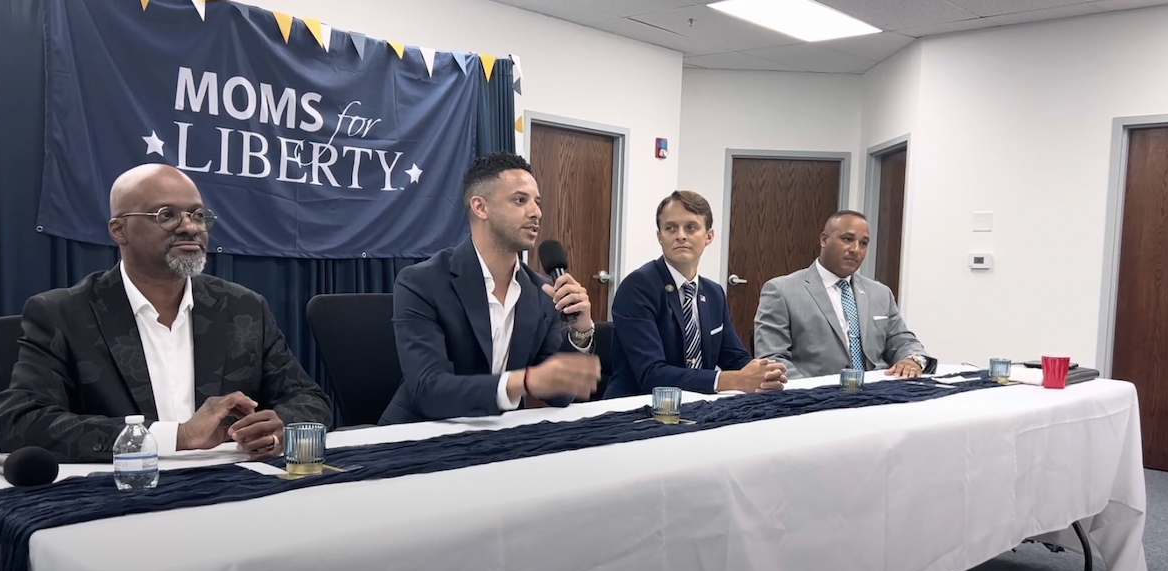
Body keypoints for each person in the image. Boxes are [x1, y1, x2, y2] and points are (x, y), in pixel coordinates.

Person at [0, 164, 332, 463]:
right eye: (166, 215)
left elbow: (309, 399)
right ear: (118, 230)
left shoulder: (243, 308)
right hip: (120, 499)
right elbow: (23, 423)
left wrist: (279, 425)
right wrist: (178, 437)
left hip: (233, 490)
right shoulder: (62, 313)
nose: (190, 227)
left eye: (198, 215)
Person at [378, 152, 600, 424]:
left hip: (497, 438)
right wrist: (522, 382)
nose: (536, 212)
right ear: (480, 207)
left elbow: (559, 395)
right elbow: (428, 389)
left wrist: (580, 332)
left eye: (537, 202)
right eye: (520, 200)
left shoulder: (541, 291)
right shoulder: (421, 282)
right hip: (420, 434)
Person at [604, 191, 786, 399]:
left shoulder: (713, 292)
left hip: (698, 406)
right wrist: (731, 380)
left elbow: (734, 356)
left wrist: (763, 372)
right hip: (636, 410)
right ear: (659, 236)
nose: (680, 235)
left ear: (709, 236)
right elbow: (651, 374)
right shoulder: (638, 287)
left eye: (690, 227)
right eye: (670, 228)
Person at [753, 210, 932, 380]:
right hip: (816, 399)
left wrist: (912, 360)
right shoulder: (782, 291)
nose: (856, 249)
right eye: (847, 239)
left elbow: (904, 341)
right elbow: (772, 359)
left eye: (863, 243)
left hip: (878, 394)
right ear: (824, 240)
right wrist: (813, 392)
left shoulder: (880, 293)